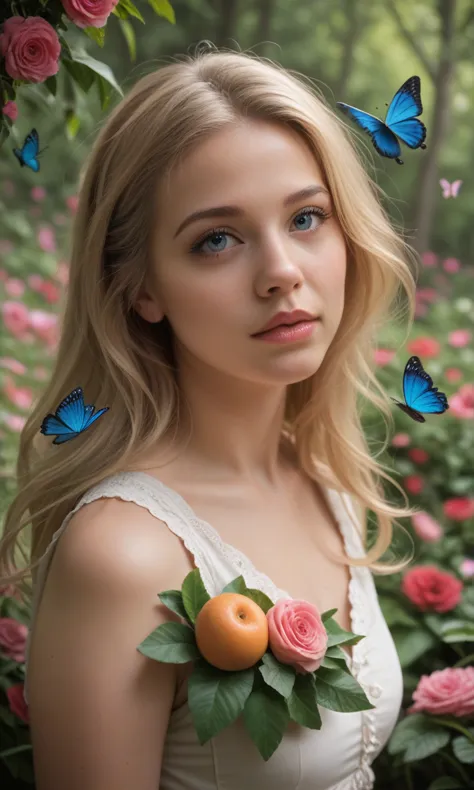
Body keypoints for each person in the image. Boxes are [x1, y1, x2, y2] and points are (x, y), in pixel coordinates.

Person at [0, 46, 416, 790]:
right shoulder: (123, 555)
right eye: (216, 240)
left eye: (308, 217)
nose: (282, 270)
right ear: (141, 288)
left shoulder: (323, 478)